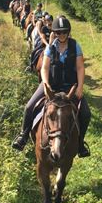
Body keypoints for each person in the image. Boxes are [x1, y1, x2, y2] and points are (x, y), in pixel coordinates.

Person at [12, 16, 91, 157]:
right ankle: (23, 136)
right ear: (54, 32)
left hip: (69, 87)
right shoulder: (50, 47)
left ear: (68, 32)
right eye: (59, 32)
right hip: (51, 85)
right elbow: (45, 68)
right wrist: (46, 83)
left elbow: (80, 68)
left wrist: (80, 88)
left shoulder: (75, 46)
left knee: (85, 113)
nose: (61, 35)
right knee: (29, 107)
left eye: (64, 32)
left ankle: (80, 144)